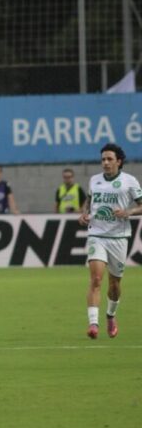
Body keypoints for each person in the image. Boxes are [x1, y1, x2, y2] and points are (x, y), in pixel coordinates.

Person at [79, 143, 142, 339]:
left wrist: (128, 212)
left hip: (119, 238)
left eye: (109, 159)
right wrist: (84, 213)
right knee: (96, 279)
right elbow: (89, 201)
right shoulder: (94, 180)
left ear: (118, 161)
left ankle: (111, 315)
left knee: (114, 285)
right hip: (97, 235)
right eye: (103, 159)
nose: (105, 163)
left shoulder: (129, 181)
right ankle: (93, 324)